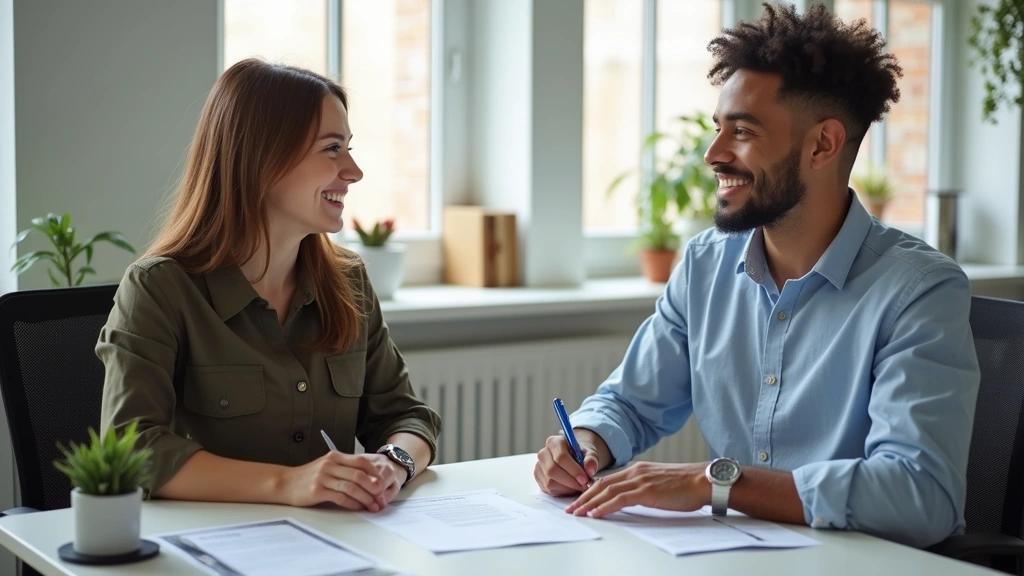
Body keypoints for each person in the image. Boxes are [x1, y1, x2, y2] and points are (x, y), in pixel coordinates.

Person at [535, 3, 979, 548]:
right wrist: (586, 442)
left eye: (742, 132)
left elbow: (919, 494)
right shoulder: (704, 264)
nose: (713, 153)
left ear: (822, 144)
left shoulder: (919, 291)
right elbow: (629, 402)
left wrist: (714, 482)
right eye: (718, 128)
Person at [98, 58, 441, 512]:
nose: (353, 171)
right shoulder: (159, 289)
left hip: (332, 543)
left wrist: (391, 464)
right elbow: (130, 449)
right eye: (332, 149)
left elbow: (408, 417)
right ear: (263, 158)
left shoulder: (349, 281)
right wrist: (290, 484)